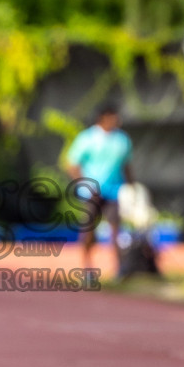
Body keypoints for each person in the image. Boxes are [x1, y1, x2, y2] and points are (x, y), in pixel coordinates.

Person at [63, 107, 133, 278]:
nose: (117, 121)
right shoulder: (87, 138)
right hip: (91, 193)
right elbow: (72, 164)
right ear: (103, 118)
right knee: (88, 230)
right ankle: (87, 268)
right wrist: (85, 185)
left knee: (116, 229)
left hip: (114, 191)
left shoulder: (122, 140)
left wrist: (132, 185)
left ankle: (119, 269)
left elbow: (126, 165)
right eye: (113, 117)